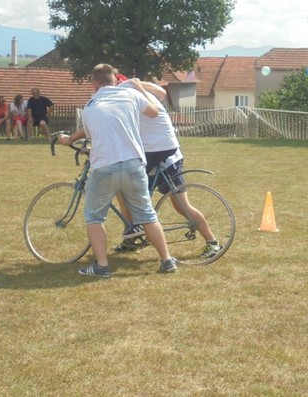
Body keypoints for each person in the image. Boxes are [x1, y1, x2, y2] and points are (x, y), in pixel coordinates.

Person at [59, 64, 177, 277]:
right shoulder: (130, 95)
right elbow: (154, 112)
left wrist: (70, 139)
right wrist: (140, 89)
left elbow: (94, 134)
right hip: (133, 163)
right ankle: (167, 260)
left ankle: (102, 266)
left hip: (105, 165)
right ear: (115, 80)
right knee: (147, 215)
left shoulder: (90, 107)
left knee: (94, 217)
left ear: (94, 85)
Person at [115, 78, 223, 258]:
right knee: (125, 191)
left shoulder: (126, 95)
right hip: (151, 152)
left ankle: (212, 242)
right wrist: (138, 84)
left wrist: (137, 85)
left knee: (181, 206)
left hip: (165, 157)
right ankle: (133, 236)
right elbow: (162, 93)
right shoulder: (132, 93)